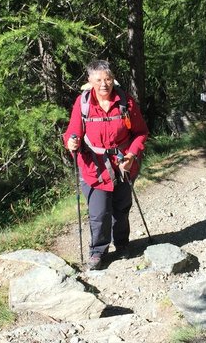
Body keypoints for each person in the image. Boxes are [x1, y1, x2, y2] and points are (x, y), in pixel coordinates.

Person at [63, 60, 149, 270]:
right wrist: (71, 141)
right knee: (99, 212)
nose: (104, 84)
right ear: (90, 81)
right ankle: (98, 252)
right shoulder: (83, 103)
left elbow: (140, 132)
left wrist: (131, 155)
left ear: (113, 79)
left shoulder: (125, 102)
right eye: (99, 79)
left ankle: (122, 245)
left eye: (108, 78)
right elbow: (72, 132)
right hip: (95, 167)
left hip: (122, 165)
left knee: (121, 208)